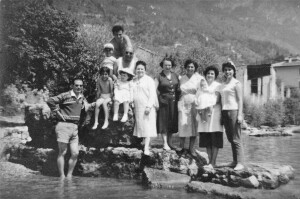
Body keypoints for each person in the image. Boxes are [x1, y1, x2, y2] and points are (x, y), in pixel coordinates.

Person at [47, 77, 94, 179]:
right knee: (62, 152)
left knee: (75, 153)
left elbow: (88, 107)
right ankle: (62, 176)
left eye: (81, 86)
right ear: (72, 86)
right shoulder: (65, 95)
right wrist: (56, 111)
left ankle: (69, 176)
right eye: (76, 85)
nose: (78, 87)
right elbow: (50, 100)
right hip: (63, 126)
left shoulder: (82, 97)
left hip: (74, 128)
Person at [196, 65, 223, 168]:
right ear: (205, 75)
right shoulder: (202, 85)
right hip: (203, 115)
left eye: (212, 74)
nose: (210, 75)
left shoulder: (218, 86)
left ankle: (213, 162)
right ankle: (209, 161)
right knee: (207, 138)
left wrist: (209, 105)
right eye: (208, 73)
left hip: (215, 115)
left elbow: (218, 99)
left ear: (215, 75)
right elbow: (198, 97)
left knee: (215, 138)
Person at [219, 61, 244, 171]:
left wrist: (240, 114)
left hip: (234, 111)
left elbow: (240, 100)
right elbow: (222, 100)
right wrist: (221, 115)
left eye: (230, 69)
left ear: (233, 71)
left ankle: (240, 162)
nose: (227, 71)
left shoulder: (236, 83)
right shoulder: (223, 84)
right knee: (230, 138)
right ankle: (234, 161)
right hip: (225, 111)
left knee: (236, 138)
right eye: (225, 70)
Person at [133, 61, 159, 155]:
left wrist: (149, 107)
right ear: (135, 70)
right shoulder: (134, 80)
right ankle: (143, 145)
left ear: (145, 70)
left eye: (142, 69)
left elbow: (152, 95)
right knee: (140, 126)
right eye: (138, 69)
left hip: (146, 107)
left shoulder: (149, 80)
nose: (140, 70)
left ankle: (146, 148)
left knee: (147, 126)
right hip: (137, 107)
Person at [178, 59, 202, 156]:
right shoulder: (182, 78)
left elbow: (201, 92)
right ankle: (182, 147)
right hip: (183, 102)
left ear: (195, 68)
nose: (190, 68)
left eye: (192, 67)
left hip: (194, 102)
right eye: (188, 66)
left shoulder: (199, 78)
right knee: (183, 124)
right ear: (185, 68)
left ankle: (191, 148)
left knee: (194, 125)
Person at [155, 57, 180, 151]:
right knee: (164, 122)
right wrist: (156, 101)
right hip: (163, 102)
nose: (167, 66)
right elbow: (154, 89)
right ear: (162, 65)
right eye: (166, 65)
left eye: (169, 65)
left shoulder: (175, 75)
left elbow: (179, 88)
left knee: (172, 121)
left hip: (174, 103)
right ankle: (165, 143)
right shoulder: (159, 76)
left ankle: (170, 142)